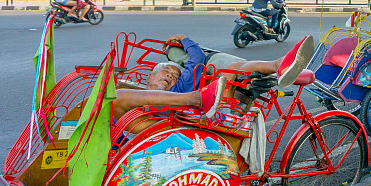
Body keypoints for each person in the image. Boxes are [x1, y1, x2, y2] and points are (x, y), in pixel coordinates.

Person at [113, 35, 314, 131]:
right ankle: (197, 98)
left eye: (174, 74)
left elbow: (197, 57)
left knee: (234, 67)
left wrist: (186, 40)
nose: (169, 75)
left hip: (170, 125)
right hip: (143, 127)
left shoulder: (182, 84)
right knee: (116, 97)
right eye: (164, 71)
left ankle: (279, 65)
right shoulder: (134, 90)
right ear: (149, 76)